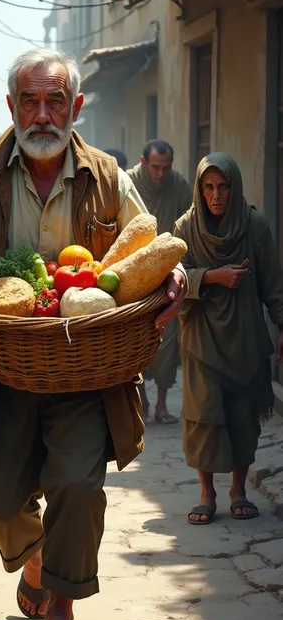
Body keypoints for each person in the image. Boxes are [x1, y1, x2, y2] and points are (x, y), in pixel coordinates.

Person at [0, 48, 186, 620]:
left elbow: (155, 251)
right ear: (10, 106)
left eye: (55, 100)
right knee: (0, 503)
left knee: (79, 486)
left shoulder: (109, 177)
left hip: (87, 370)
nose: (42, 114)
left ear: (76, 107)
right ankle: (35, 561)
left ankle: (61, 610)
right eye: (29, 101)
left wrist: (177, 281)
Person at [174, 153, 283, 525]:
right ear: (200, 190)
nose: (216, 194)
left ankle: (239, 491)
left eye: (223, 186)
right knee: (203, 417)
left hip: (246, 337)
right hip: (202, 339)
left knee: (242, 417)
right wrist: (211, 277)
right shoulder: (185, 229)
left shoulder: (255, 226)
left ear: (234, 188)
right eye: (208, 187)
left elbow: (273, 283)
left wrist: (282, 326)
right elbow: (171, 280)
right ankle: (207, 493)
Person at [128, 140, 192, 424]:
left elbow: (189, 223)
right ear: (143, 163)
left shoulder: (178, 185)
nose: (161, 173)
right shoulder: (127, 182)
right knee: (133, 342)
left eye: (166, 167)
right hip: (132, 274)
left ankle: (163, 404)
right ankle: (142, 399)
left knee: (166, 343)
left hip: (168, 273)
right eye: (155, 167)